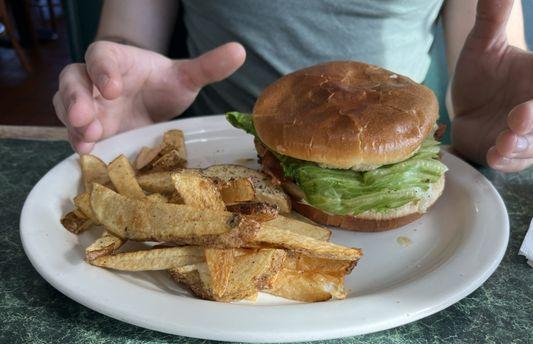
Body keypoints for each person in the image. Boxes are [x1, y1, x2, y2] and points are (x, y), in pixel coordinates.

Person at [53, 0, 532, 172]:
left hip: (406, 154)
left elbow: (492, 52)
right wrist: (114, 90)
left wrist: (484, 125)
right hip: (221, 154)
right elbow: (125, 37)